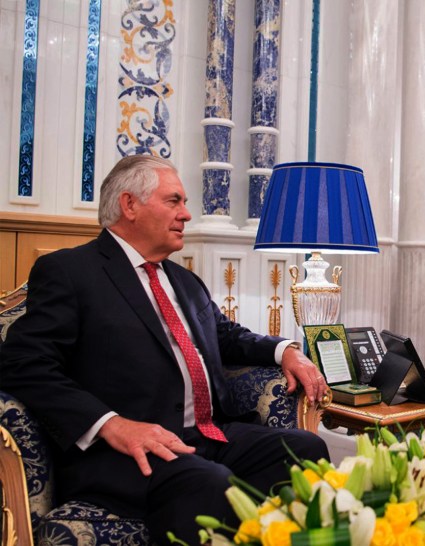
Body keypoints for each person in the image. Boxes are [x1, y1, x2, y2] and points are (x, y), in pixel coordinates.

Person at [0, 155, 330, 544]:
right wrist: (111, 423)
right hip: (124, 451)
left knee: (304, 449)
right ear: (130, 205)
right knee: (210, 484)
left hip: (206, 435)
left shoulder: (185, 281)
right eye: (174, 201)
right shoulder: (70, 272)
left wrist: (286, 351)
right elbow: (23, 363)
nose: (186, 214)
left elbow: (227, 336)